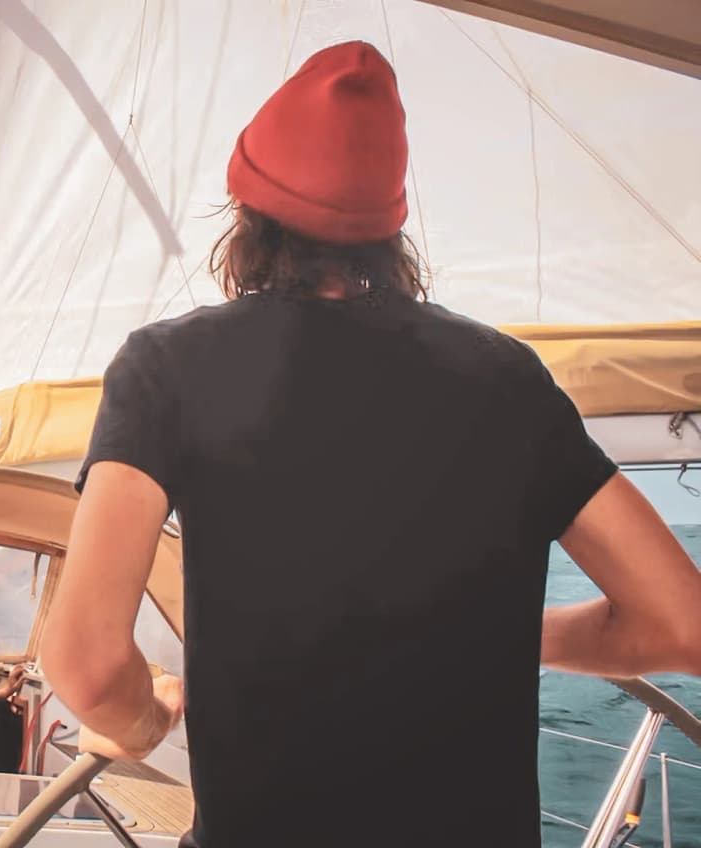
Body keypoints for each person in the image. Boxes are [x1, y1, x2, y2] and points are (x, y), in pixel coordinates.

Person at [40, 40, 701, 847]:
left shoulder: (165, 367)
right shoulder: (507, 378)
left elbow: (89, 665)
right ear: (390, 230)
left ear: (246, 216)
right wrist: (498, 636)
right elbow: (680, 625)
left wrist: (146, 721)